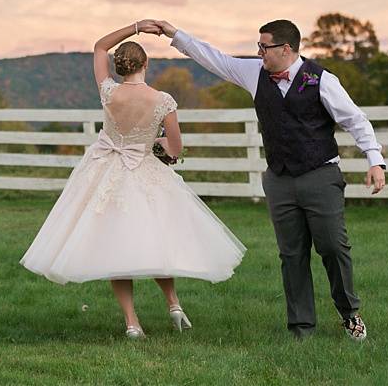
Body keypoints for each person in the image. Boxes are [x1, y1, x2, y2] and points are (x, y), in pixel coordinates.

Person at [148, 18, 386, 341]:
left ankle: (349, 313)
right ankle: (302, 328)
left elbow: (356, 121)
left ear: (285, 49)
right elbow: (215, 59)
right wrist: (175, 34)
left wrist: (375, 160)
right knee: (291, 254)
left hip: (321, 175)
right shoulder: (254, 74)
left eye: (264, 46)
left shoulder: (322, 80)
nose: (258, 52)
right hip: (279, 180)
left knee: (333, 246)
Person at [19, 20, 246, 339]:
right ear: (146, 64)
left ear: (119, 66)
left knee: (117, 249)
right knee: (157, 240)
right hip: (145, 173)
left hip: (105, 172)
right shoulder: (162, 100)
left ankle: (131, 323)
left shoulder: (108, 91)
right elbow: (176, 148)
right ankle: (174, 304)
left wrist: (137, 26)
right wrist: (157, 145)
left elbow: (99, 46)